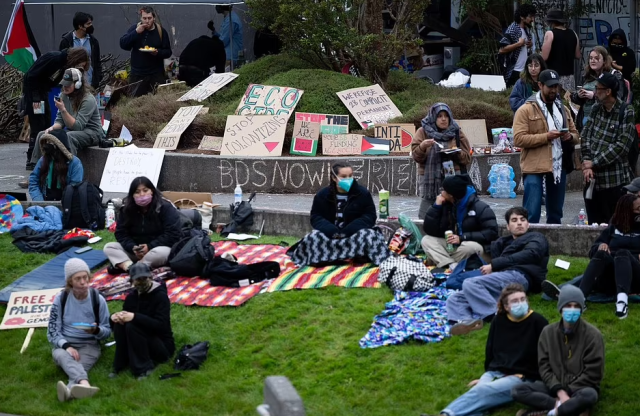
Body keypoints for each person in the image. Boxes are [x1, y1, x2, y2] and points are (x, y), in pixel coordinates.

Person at [421, 284, 548, 416]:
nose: (520, 303)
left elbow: (546, 356)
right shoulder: (499, 320)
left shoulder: (538, 322)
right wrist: (488, 374)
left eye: (523, 299)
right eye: (515, 301)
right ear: (506, 307)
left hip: (521, 376)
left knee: (481, 390)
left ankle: (446, 414)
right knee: (481, 394)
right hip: (496, 371)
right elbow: (491, 350)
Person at [447, 207, 549, 336]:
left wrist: (494, 265)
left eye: (523, 220)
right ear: (508, 226)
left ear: (528, 224)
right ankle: (466, 322)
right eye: (514, 220)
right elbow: (486, 243)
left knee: (470, 283)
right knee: (455, 298)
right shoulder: (503, 242)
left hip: (520, 276)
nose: (519, 223)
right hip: (501, 278)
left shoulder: (536, 238)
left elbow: (531, 254)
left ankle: (498, 316)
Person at [542, 194, 640, 319]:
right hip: (610, 275)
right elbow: (593, 251)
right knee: (601, 254)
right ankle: (580, 299)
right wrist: (601, 246)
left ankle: (622, 302)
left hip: (634, 276)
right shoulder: (613, 228)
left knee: (622, 253)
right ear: (626, 211)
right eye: (638, 209)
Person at [512, 285, 604, 416]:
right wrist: (560, 391)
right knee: (518, 390)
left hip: (580, 388)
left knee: (590, 395)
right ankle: (566, 408)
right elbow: (544, 366)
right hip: (553, 386)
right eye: (568, 306)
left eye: (576, 306)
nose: (572, 310)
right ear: (560, 308)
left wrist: (569, 390)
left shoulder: (593, 335)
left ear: (581, 309)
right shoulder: (547, 332)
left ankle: (550, 412)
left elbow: (593, 372)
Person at [287, 163, 391, 267]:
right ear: (334, 178)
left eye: (350, 175)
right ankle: (330, 259)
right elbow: (316, 216)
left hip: (354, 235)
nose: (348, 179)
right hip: (331, 237)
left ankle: (353, 256)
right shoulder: (322, 195)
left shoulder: (362, 193)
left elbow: (370, 215)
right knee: (313, 237)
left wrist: (351, 229)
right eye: (344, 177)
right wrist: (331, 230)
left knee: (369, 235)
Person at [513, 69, 579, 224]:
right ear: (540, 85)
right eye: (550, 86)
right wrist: (546, 137)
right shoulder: (525, 109)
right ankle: (528, 242)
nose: (554, 90)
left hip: (558, 165)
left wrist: (570, 137)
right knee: (531, 212)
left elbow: (576, 135)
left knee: (556, 213)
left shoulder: (563, 109)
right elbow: (518, 139)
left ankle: (553, 244)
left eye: (556, 86)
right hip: (534, 166)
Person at [47, 258, 111, 402]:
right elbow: (52, 332)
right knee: (61, 355)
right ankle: (85, 384)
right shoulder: (61, 298)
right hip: (66, 344)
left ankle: (69, 391)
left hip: (89, 345)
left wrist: (96, 331)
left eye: (85, 277)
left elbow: (107, 331)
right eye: (78, 279)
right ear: (70, 281)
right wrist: (66, 346)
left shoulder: (97, 299)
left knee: (76, 367)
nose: (83, 282)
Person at [580, 72, 636, 225]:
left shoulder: (626, 110)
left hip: (614, 182)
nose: (595, 91)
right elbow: (585, 136)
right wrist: (586, 162)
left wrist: (595, 163)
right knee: (594, 226)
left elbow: (622, 146)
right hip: (592, 180)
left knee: (615, 225)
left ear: (608, 91)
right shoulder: (596, 108)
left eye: (598, 88)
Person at [22, 47, 90, 170]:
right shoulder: (54, 59)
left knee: (46, 122)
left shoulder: (64, 65)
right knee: (38, 124)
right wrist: (36, 95)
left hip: (42, 93)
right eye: (79, 64)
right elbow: (31, 76)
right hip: (35, 95)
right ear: (76, 58)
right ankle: (32, 159)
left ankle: (43, 156)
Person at [110, 262, 175, 380]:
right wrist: (115, 317)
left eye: (144, 278)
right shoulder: (132, 297)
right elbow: (125, 317)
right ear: (132, 281)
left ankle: (143, 368)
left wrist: (135, 317)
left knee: (132, 326)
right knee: (121, 325)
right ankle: (120, 363)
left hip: (162, 345)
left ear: (150, 277)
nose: (141, 282)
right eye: (138, 279)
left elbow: (161, 326)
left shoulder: (160, 297)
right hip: (141, 341)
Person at [104, 176, 181, 274]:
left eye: (145, 190)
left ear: (152, 191)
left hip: (157, 250)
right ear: (132, 195)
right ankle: (132, 268)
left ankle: (129, 266)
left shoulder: (165, 207)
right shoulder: (126, 210)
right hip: (135, 252)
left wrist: (149, 246)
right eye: (137, 192)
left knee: (161, 253)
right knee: (109, 247)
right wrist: (133, 247)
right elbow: (121, 233)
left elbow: (173, 234)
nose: (142, 194)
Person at [422, 175, 498, 270]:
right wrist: (436, 207)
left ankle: (441, 260)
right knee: (427, 240)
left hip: (476, 248)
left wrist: (462, 238)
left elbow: (491, 233)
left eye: (444, 190)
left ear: (451, 195)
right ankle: (451, 265)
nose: (441, 192)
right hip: (454, 246)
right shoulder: (446, 205)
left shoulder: (480, 207)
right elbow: (430, 230)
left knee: (470, 247)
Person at [30, 68, 104, 164]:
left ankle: (69, 168)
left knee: (68, 136)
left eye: (68, 84)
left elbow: (78, 126)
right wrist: (51, 128)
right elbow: (60, 121)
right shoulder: (63, 96)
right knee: (42, 134)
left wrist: (63, 109)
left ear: (77, 84)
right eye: (64, 84)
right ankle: (37, 167)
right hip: (73, 131)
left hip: (92, 133)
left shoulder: (88, 99)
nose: (65, 87)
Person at [411, 103, 472, 219]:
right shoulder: (423, 132)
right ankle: (425, 231)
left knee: (453, 206)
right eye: (439, 116)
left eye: (446, 116)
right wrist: (423, 146)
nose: (443, 119)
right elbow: (416, 157)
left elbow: (467, 158)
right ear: (433, 117)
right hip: (429, 177)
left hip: (453, 176)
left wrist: (456, 152)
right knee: (427, 209)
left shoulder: (456, 132)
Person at [119, 6, 172, 96]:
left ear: (154, 18)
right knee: (136, 102)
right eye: (144, 18)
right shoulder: (134, 29)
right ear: (141, 18)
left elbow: (168, 52)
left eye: (149, 18)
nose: (147, 21)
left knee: (157, 101)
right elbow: (123, 44)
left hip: (156, 74)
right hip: (137, 74)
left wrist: (157, 52)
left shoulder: (161, 31)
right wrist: (136, 32)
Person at [570, 46, 624, 131]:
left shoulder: (614, 75)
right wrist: (579, 96)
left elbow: (619, 97)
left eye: (596, 58)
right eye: (591, 58)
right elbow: (573, 97)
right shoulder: (586, 75)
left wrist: (595, 95)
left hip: (605, 119)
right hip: (585, 117)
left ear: (604, 61)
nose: (593, 60)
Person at [28, 130, 83, 201]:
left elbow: (75, 188)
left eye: (50, 143)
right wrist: (39, 201)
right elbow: (33, 181)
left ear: (59, 146)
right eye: (47, 142)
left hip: (65, 205)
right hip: (44, 202)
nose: (47, 145)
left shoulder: (74, 163)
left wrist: (64, 204)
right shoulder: (43, 160)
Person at [540, 8, 580, 94]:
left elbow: (544, 57)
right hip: (570, 76)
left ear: (552, 22)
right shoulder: (573, 33)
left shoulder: (550, 34)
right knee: (568, 102)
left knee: (554, 100)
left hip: (553, 76)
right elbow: (578, 55)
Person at [59, 12, 101, 89]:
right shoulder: (66, 41)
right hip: (72, 84)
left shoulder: (93, 41)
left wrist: (97, 80)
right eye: (88, 24)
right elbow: (61, 63)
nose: (91, 26)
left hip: (90, 83)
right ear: (80, 26)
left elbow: (97, 62)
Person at [499, 3, 537, 87]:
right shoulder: (513, 29)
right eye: (530, 16)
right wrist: (518, 44)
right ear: (522, 17)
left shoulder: (528, 30)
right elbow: (502, 49)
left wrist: (530, 45)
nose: (532, 19)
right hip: (514, 70)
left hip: (525, 70)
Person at [178, 21, 226, 87]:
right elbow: (220, 73)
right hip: (196, 70)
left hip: (182, 68)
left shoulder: (199, 41)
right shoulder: (220, 47)